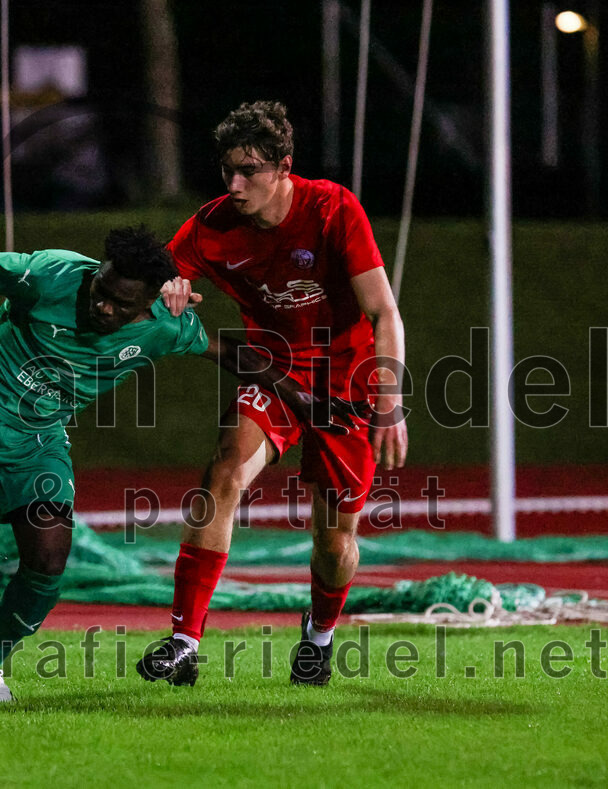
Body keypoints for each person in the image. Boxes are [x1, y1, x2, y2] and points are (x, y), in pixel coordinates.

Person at [0, 226, 358, 709]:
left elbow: (233, 353)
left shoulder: (164, 324)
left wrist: (303, 402)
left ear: (147, 302)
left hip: (38, 433)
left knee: (49, 557)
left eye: (119, 302)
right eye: (102, 288)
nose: (101, 304)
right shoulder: (51, 274)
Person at [138, 101, 408, 688]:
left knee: (334, 543)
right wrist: (169, 284)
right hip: (274, 374)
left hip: (346, 385)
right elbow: (155, 276)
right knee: (224, 472)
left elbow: (384, 311)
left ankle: (319, 636)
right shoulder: (212, 224)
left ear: (284, 166)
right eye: (227, 170)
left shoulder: (333, 209)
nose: (235, 184)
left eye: (249, 171)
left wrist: (389, 404)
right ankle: (184, 640)